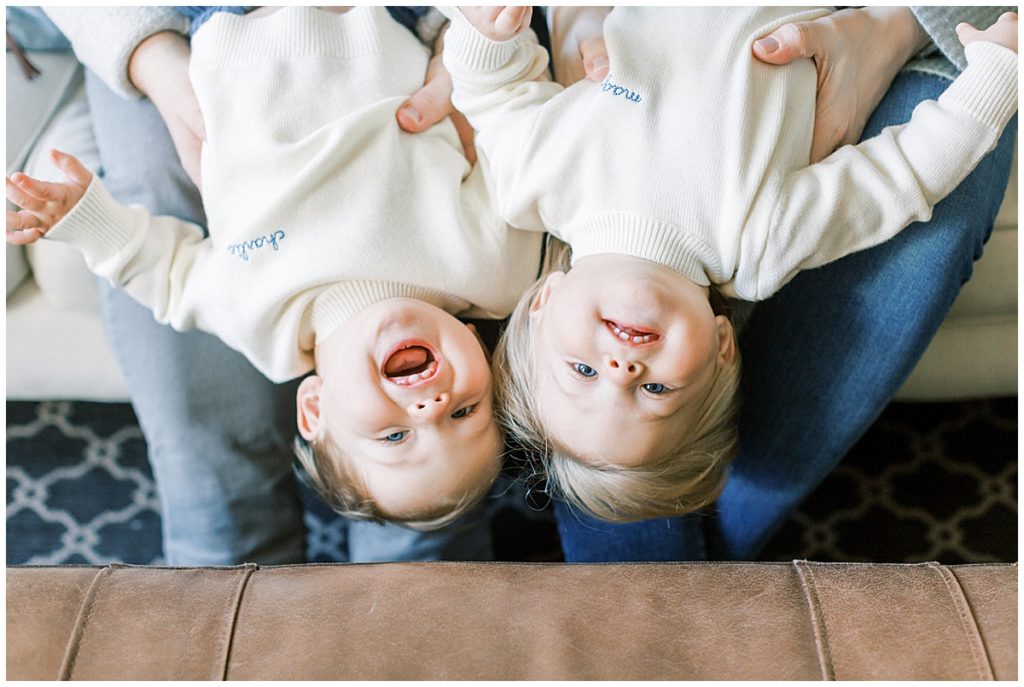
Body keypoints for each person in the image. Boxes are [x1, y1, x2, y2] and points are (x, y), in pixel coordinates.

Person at [439, 6, 1017, 522]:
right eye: (658, 391)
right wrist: (994, 78)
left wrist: (487, 34)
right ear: (720, 346)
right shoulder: (759, 247)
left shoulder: (535, 187)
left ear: (541, 305)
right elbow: (899, 177)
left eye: (583, 373)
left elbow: (495, 94)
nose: (622, 371)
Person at [8, 6, 545, 531]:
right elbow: (514, 132)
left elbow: (170, 277)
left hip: (219, 22)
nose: (430, 408)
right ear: (479, 347)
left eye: (395, 439)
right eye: (465, 414)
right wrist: (482, 44)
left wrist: (86, 220)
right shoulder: (497, 272)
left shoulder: (260, 322)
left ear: (314, 410)